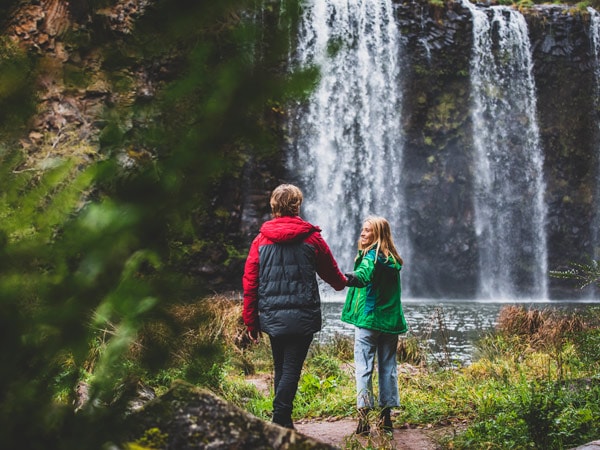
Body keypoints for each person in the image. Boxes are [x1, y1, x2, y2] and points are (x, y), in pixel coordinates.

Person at [242, 184, 347, 429]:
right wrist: (343, 283)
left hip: (272, 316)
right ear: (296, 205)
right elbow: (331, 273)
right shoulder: (312, 238)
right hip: (303, 314)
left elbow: (250, 283)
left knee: (281, 365)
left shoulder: (260, 240)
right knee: (291, 368)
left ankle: (282, 420)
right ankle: (280, 418)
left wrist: (251, 321)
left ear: (274, 206)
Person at [341, 216, 408, 435]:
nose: (362, 233)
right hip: (389, 323)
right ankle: (386, 417)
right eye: (362, 229)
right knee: (388, 367)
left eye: (367, 230)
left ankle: (363, 419)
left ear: (377, 235)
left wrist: (344, 278)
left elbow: (363, 274)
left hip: (369, 321)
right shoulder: (393, 260)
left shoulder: (371, 256)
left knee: (364, 368)